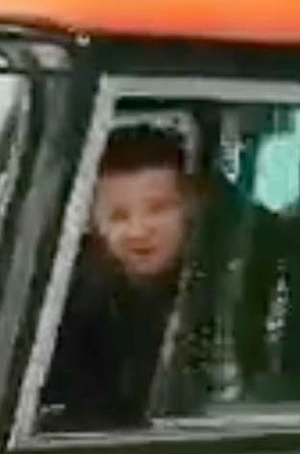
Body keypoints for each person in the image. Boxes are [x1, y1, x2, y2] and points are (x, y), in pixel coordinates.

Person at [39, 122, 283, 432]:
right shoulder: (66, 302)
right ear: (92, 223)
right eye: (118, 216)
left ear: (191, 206)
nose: (139, 230)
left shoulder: (228, 287)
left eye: (159, 208)